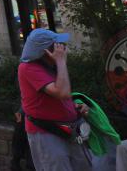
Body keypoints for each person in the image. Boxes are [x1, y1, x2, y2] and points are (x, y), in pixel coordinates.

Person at [17, 28, 91, 171]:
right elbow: (61, 92)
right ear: (46, 51)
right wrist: (61, 62)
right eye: (57, 45)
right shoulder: (28, 68)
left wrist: (75, 106)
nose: (62, 48)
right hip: (47, 133)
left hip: (68, 129)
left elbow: (63, 95)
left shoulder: (51, 66)